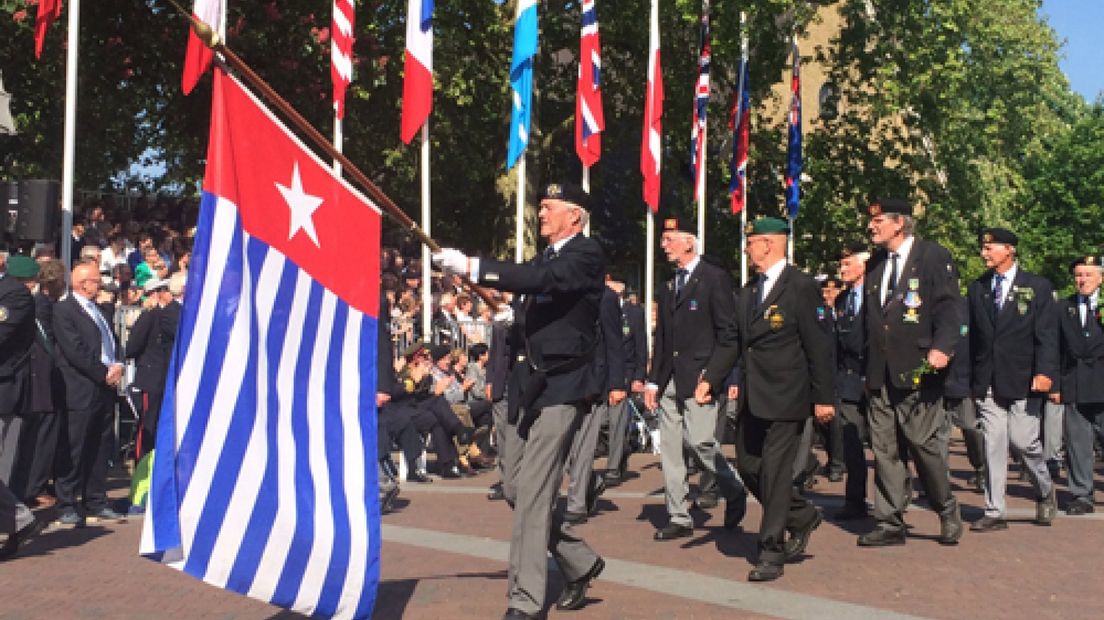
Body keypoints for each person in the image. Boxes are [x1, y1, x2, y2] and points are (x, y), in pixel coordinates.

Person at [433, 182, 605, 619]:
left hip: (564, 386)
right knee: (514, 486)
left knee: (531, 494)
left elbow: (544, 281)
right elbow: (539, 295)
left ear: (574, 216)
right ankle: (580, 561)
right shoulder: (547, 257)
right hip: (533, 385)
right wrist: (515, 318)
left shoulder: (585, 253)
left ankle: (524, 601)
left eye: (548, 208)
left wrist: (474, 265)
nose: (541, 213)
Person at [696, 217, 835, 582]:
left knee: (775, 473)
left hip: (788, 396)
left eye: (751, 241)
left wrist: (823, 397)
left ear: (770, 244)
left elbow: (820, 346)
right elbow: (731, 340)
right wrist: (710, 378)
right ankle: (801, 515)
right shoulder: (748, 292)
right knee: (747, 465)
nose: (747, 248)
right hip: (753, 398)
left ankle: (771, 549)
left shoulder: (801, 286)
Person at [858, 198, 963, 547]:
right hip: (880, 373)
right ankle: (889, 520)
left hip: (919, 369)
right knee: (885, 448)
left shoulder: (932, 256)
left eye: (879, 221)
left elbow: (950, 309)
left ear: (899, 223)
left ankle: (945, 507)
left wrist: (942, 347)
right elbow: (870, 319)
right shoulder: (875, 263)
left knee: (922, 444)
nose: (872, 227)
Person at [645, 217, 747, 541]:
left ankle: (733, 489)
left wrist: (716, 376)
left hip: (701, 376)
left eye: (669, 238)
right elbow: (662, 338)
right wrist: (651, 382)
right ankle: (678, 515)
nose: (664, 245)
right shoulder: (668, 284)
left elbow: (728, 333)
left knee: (701, 441)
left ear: (689, 242)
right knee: (671, 451)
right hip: (669, 379)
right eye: (664, 239)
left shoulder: (714, 279)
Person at [966, 227, 1058, 531]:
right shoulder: (978, 287)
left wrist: (1045, 373)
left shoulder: (1036, 286)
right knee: (993, 441)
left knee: (1023, 441)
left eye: (990, 248)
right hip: (988, 378)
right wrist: (969, 379)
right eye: (983, 247)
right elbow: (974, 337)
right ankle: (995, 511)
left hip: (1024, 377)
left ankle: (1045, 490)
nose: (984, 253)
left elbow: (1047, 335)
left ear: (1009, 250)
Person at [52, 262, 127, 526]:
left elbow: (111, 342)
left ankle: (96, 499)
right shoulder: (64, 310)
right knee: (74, 447)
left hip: (104, 388)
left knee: (99, 446)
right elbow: (75, 349)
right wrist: (101, 372)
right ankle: (66, 503)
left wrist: (118, 364)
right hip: (79, 388)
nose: (100, 285)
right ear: (83, 283)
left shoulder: (98, 310)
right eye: (96, 281)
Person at [1055, 255, 1104, 515]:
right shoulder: (1064, 308)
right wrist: (1055, 383)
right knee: (1077, 443)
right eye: (1078, 275)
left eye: (1088, 275)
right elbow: (1055, 347)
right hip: (1074, 382)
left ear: (1101, 278)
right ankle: (1082, 494)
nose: (1082, 280)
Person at [831, 243, 872, 520]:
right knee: (852, 442)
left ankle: (895, 499)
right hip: (849, 382)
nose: (842, 269)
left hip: (876, 379)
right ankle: (854, 500)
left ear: (863, 266)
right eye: (841, 264)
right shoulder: (843, 300)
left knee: (887, 444)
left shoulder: (878, 295)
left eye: (847, 264)